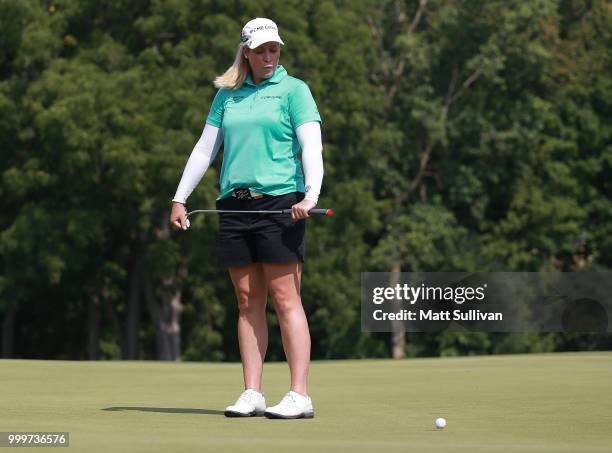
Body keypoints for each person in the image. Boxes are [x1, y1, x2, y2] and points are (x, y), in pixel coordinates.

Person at [169, 17, 323, 420]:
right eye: (261, 50)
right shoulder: (227, 95)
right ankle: (252, 391)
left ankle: (299, 394)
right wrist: (180, 198)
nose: (269, 56)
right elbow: (205, 149)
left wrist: (311, 194)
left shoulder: (294, 91)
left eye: (275, 49)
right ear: (247, 53)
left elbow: (311, 147)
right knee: (247, 301)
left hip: (281, 203)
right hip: (234, 206)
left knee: (286, 298)